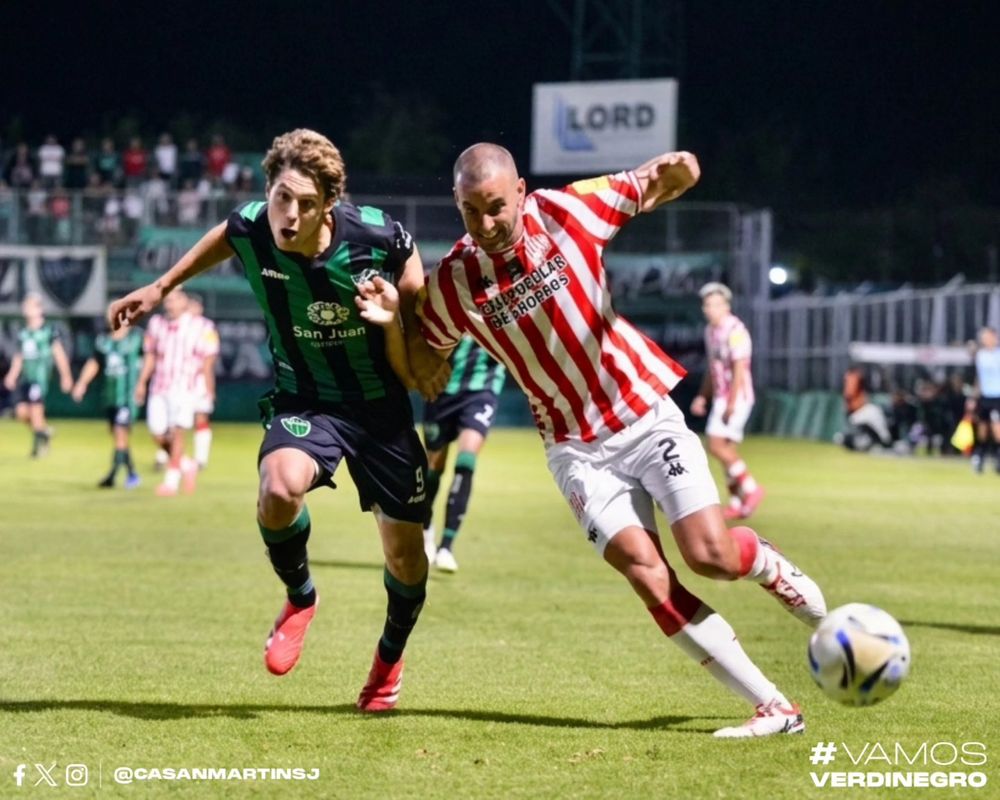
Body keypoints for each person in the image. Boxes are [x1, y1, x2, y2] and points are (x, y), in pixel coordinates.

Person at [413, 143, 827, 738]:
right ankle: (773, 706)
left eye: (497, 207)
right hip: (574, 449)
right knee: (645, 571)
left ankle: (774, 572)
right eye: (471, 211)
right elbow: (424, 347)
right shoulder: (453, 281)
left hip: (643, 413)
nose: (487, 223)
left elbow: (650, 185)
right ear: (457, 205)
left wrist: (680, 170)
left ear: (522, 192)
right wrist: (392, 324)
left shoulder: (565, 211)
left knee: (709, 555)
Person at [107, 128, 431, 711]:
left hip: (381, 411)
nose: (290, 214)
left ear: (330, 204)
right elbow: (224, 236)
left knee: (406, 557)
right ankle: (300, 598)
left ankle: (387, 662)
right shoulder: (254, 225)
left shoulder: (380, 237)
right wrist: (161, 287)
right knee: (279, 489)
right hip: (304, 400)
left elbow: (418, 312)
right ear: (269, 190)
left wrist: (400, 321)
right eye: (283, 197)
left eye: (307, 204)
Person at [421, 335, 506, 572]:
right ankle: (426, 533)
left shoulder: (498, 304)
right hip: (441, 390)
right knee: (432, 469)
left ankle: (446, 547)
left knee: (466, 461)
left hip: (481, 390)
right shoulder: (442, 300)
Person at [690, 282, 765, 519]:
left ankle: (751, 489)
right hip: (722, 396)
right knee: (727, 451)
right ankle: (735, 502)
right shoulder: (711, 332)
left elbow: (740, 368)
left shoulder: (735, 331)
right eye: (707, 304)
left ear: (726, 306)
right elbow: (713, 369)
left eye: (715, 304)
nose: (710, 309)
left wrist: (731, 403)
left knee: (715, 445)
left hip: (736, 397)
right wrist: (703, 396)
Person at [133, 287, 210, 495]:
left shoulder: (200, 326)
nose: (170, 304)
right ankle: (186, 464)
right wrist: (141, 382)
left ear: (185, 301)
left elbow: (207, 358)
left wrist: (207, 388)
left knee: (178, 432)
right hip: (159, 386)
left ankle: (171, 480)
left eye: (175, 299)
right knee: (157, 432)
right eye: (167, 300)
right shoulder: (156, 324)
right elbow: (150, 356)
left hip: (185, 387)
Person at [71, 323, 144, 488]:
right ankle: (132, 474)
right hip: (111, 396)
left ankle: (113, 474)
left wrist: (142, 384)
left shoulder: (136, 338)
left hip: (128, 397)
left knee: (120, 433)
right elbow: (94, 363)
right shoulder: (103, 341)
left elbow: (149, 359)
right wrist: (82, 383)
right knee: (119, 437)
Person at [3, 293, 73, 457]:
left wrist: (66, 376)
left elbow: (59, 354)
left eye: (30, 305)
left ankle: (38, 448)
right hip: (26, 378)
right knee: (21, 412)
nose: (26, 308)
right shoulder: (23, 333)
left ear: (39, 309)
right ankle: (44, 431)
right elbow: (19, 357)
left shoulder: (48, 331)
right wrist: (12, 376)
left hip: (39, 379)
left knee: (36, 411)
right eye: (25, 305)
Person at [186, 293, 220, 469]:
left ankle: (200, 457)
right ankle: (166, 455)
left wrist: (209, 386)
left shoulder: (207, 328)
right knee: (174, 420)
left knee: (201, 417)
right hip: (177, 380)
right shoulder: (177, 326)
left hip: (198, 380)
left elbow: (209, 360)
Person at [837, 366, 892, 452]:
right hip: (858, 410)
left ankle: (883, 443)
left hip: (861, 410)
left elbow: (849, 394)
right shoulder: (853, 376)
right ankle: (883, 443)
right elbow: (849, 393)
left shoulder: (854, 377)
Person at [969, 326, 1000, 474]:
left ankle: (998, 457)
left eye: (987, 336)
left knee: (997, 428)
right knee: (982, 429)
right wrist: (973, 398)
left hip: (998, 397)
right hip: (984, 397)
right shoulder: (980, 355)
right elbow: (978, 379)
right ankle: (979, 456)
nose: (985, 339)